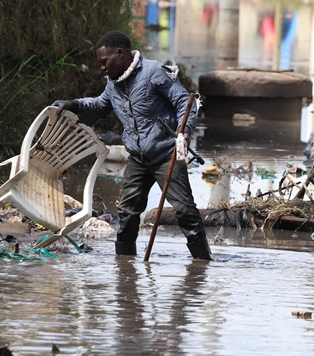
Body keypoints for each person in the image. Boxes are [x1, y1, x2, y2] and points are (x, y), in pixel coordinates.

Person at [53, 30, 211, 260]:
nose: (102, 68)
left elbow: (184, 102)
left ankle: (203, 264)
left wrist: (183, 134)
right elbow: (100, 107)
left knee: (185, 210)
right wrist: (75, 105)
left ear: (120, 53)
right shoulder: (113, 84)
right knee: (127, 214)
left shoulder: (153, 72)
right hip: (138, 159)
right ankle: (125, 270)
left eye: (104, 62)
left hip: (166, 155)